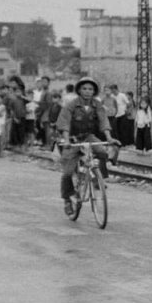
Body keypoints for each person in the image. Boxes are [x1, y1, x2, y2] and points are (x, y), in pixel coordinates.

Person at [55, 77, 120, 215]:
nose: (87, 92)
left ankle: (99, 179)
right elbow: (64, 122)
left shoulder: (97, 104)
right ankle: (67, 199)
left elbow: (103, 120)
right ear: (79, 90)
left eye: (90, 89)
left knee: (102, 152)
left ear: (94, 91)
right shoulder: (71, 104)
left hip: (87, 136)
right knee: (67, 172)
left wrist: (109, 138)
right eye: (84, 88)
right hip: (72, 139)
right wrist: (66, 140)